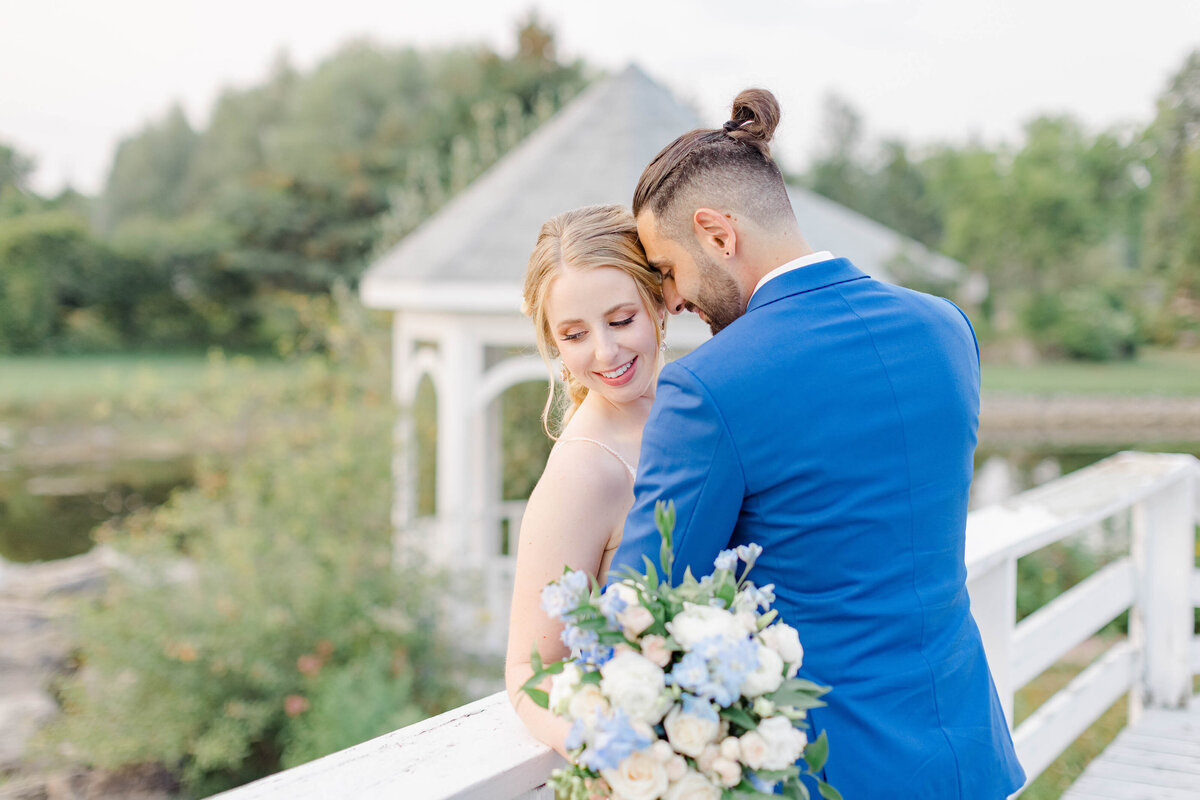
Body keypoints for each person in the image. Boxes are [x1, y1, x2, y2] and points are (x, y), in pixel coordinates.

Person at [609, 88, 1026, 797]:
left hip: (840, 774)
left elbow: (641, 604)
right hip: (976, 759)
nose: (672, 301)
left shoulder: (706, 389)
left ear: (717, 232)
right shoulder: (947, 329)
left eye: (668, 270)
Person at [504, 204, 666, 756]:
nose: (606, 351)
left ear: (659, 304)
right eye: (574, 335)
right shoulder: (583, 472)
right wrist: (599, 753)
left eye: (621, 320)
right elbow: (529, 666)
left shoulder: (694, 411)